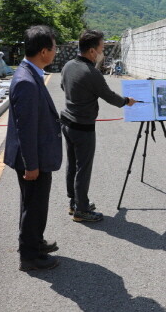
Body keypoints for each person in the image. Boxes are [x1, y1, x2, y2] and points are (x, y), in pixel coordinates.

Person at [60, 29, 136, 222]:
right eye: (102, 48)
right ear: (92, 51)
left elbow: (63, 87)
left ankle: (74, 202)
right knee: (83, 169)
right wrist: (126, 100)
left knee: (72, 165)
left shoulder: (68, 65)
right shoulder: (91, 72)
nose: (103, 52)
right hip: (83, 126)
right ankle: (82, 210)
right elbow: (109, 96)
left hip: (67, 123)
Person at [4, 25, 62, 270]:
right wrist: (31, 166)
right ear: (44, 51)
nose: (56, 51)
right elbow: (26, 128)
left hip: (35, 155)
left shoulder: (30, 73)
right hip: (32, 158)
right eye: (54, 47)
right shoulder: (27, 81)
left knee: (34, 204)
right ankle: (29, 256)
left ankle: (34, 242)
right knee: (34, 205)